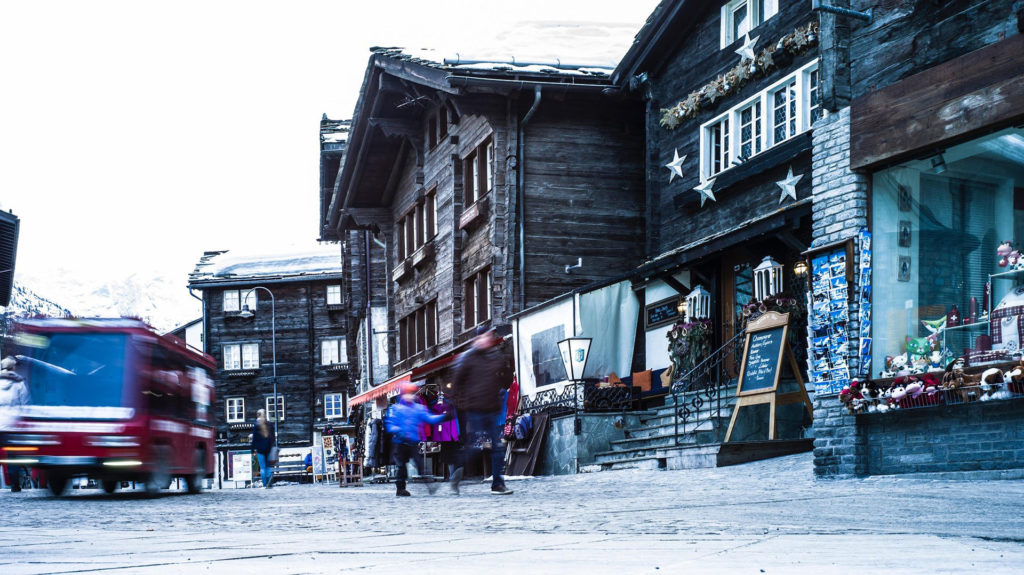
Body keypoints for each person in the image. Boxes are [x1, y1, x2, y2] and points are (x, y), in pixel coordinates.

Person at [450, 326, 514, 495]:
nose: (487, 339)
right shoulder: (468, 358)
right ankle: (457, 471)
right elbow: (456, 384)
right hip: (475, 410)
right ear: (476, 339)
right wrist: (462, 404)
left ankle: (497, 484)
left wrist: (506, 368)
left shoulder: (495, 356)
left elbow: (505, 380)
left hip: (492, 409)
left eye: (488, 336)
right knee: (473, 448)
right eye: (484, 337)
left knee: (497, 447)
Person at [385, 382, 447, 497]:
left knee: (420, 464)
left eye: (411, 393)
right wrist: (398, 430)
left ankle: (430, 486)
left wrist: (443, 417)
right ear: (402, 395)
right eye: (407, 393)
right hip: (400, 442)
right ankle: (400, 489)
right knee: (401, 466)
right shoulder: (395, 409)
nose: (409, 396)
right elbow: (390, 424)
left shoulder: (418, 408)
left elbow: (429, 418)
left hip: (413, 442)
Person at [0, 357, 30, 492]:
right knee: (13, 457)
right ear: (13, 367)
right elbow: (25, 403)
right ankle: (15, 485)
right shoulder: (19, 383)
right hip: (12, 425)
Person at [251, 409, 276, 488]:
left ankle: (265, 484)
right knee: (268, 467)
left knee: (262, 467)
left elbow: (254, 438)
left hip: (260, 449)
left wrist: (252, 449)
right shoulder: (270, 424)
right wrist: (271, 445)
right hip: (268, 448)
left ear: (257, 415)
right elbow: (273, 437)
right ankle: (269, 483)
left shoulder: (256, 425)